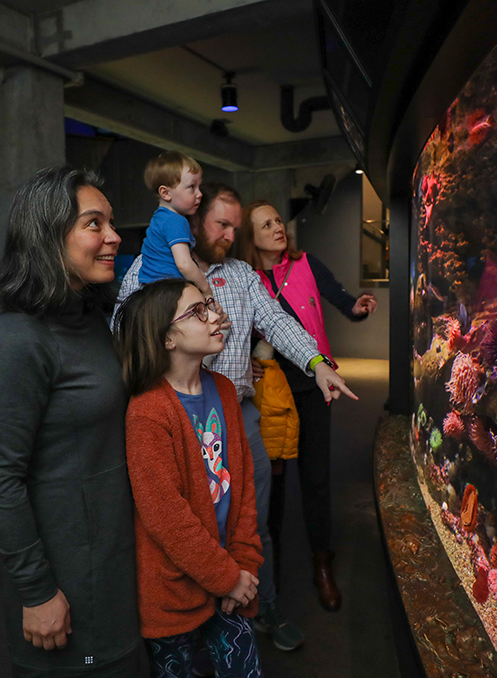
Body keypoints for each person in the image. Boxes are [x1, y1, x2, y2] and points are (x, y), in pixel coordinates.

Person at [115, 182, 356, 653]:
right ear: (196, 217)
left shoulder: (241, 274)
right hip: (175, 415)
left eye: (235, 227)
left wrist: (316, 363)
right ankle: (191, 626)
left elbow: (280, 321)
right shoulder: (155, 264)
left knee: (249, 516)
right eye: (221, 224)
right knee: (182, 523)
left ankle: (258, 605)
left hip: (235, 410)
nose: (229, 234)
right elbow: (122, 322)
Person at [0, 165, 146, 677]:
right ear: (48, 237)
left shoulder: (93, 320)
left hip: (113, 562)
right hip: (64, 583)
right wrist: (36, 590)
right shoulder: (19, 341)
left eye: (111, 222)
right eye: (94, 224)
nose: (114, 236)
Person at [116, 279, 264, 677]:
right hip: (174, 591)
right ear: (167, 338)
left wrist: (244, 563)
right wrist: (227, 577)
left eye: (210, 305)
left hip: (231, 577)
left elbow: (245, 487)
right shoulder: (148, 412)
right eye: (199, 311)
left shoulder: (225, 390)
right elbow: (166, 518)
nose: (216, 316)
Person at [234, 200, 377, 612]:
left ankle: (322, 563)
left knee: (315, 477)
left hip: (314, 384)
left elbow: (340, 298)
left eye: (279, 220)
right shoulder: (247, 278)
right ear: (251, 237)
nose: (278, 227)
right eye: (267, 224)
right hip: (271, 391)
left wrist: (358, 308)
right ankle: (270, 571)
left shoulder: (306, 263)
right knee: (271, 482)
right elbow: (240, 331)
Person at [136, 151, 214, 302]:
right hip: (168, 291)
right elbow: (184, 264)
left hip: (151, 290)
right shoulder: (176, 221)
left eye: (199, 186)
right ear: (165, 193)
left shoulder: (159, 218)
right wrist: (206, 289)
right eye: (192, 187)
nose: (199, 194)